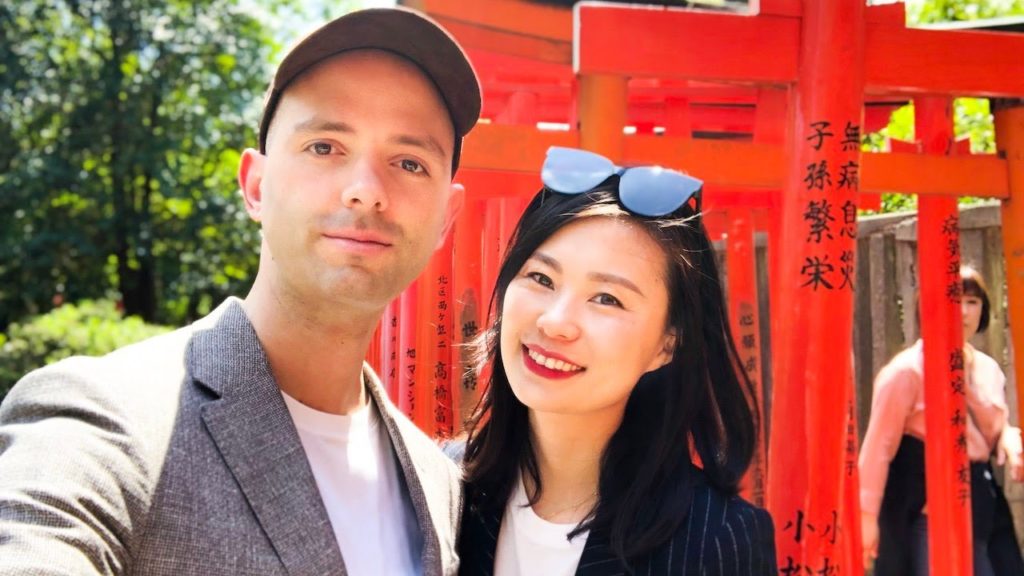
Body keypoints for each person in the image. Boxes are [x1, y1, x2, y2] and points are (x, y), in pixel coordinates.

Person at [0, 7, 480, 575]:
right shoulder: (106, 418)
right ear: (255, 186)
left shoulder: (439, 483)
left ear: (445, 218)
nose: (365, 191)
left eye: (409, 162)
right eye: (325, 147)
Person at [456, 147, 778, 575]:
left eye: (607, 299)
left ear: (668, 344)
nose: (556, 322)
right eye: (541, 278)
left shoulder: (718, 538)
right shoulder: (434, 486)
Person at [859, 265, 1024, 576]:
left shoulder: (988, 369)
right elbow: (878, 447)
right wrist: (866, 515)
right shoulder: (906, 371)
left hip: (980, 501)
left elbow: (995, 429)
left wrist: (1009, 439)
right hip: (928, 508)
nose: (963, 311)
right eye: (954, 299)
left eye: (973, 302)